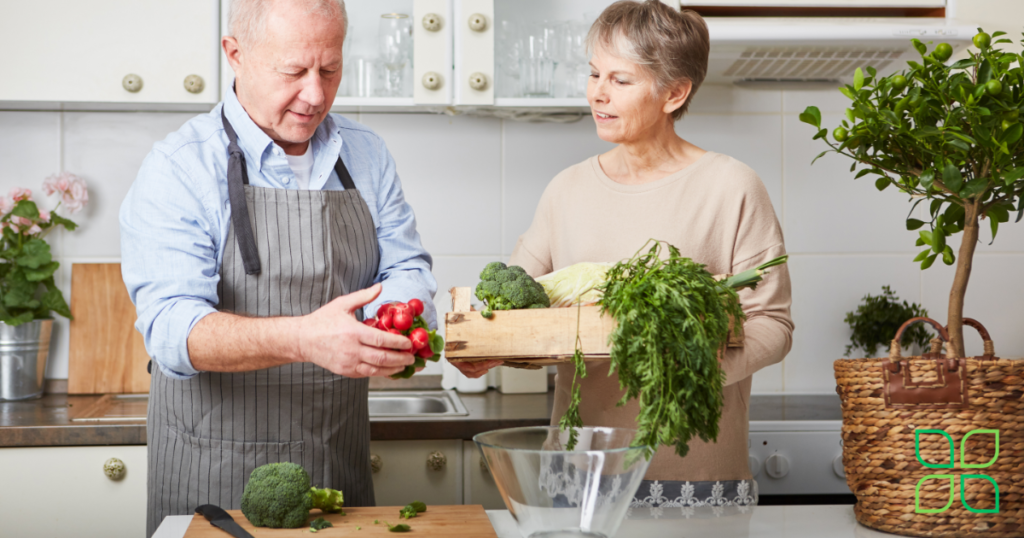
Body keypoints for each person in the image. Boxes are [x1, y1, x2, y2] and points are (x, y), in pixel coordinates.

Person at [453, 0, 793, 514]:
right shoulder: (565, 190)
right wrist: (491, 346)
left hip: (695, 471)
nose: (597, 92)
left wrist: (685, 370)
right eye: (593, 73)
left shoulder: (731, 186)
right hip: (580, 471)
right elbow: (516, 305)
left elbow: (773, 324)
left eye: (620, 80)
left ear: (674, 93)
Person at [119, 0, 436, 534]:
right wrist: (305, 339)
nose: (315, 95)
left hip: (338, 466)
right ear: (235, 55)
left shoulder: (366, 154)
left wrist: (395, 327)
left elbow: (407, 269)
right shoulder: (178, 168)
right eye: (293, 71)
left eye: (330, 69)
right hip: (214, 477)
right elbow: (172, 330)